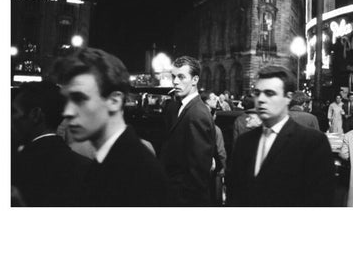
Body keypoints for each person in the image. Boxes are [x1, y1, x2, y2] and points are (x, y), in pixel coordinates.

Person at [53, 47, 168, 206]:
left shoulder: (137, 172)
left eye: (79, 99)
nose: (67, 112)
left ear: (114, 101)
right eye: (67, 100)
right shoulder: (113, 159)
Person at [228, 66, 335, 206]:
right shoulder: (244, 142)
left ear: (288, 98)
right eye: (257, 93)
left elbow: (319, 200)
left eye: (270, 93)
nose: (260, 99)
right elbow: (235, 194)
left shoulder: (312, 143)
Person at [12, 81, 92, 206]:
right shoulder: (86, 167)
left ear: (35, 115)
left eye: (14, 111)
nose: (11, 118)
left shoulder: (18, 165)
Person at [160, 56, 216, 206]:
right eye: (174, 76)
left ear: (195, 80)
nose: (175, 81)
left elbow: (198, 172)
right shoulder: (180, 106)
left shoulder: (198, 114)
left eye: (181, 77)